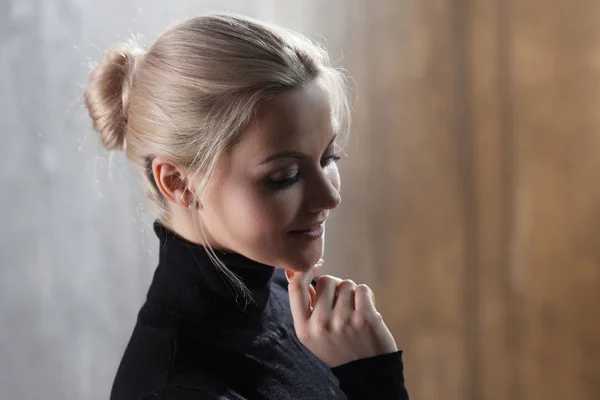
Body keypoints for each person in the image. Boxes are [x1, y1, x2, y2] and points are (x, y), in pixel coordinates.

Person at [84, 13, 409, 400]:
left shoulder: (292, 301)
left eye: (328, 158)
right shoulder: (180, 389)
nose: (330, 198)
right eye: (284, 176)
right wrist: (373, 380)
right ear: (178, 182)